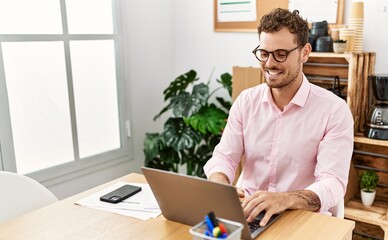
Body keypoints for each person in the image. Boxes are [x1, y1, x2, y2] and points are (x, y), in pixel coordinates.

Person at [204, 8, 354, 227]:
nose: (270, 63)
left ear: (304, 52)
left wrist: (285, 199)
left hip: (300, 220)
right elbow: (224, 157)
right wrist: (219, 182)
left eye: (281, 54)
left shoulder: (334, 110)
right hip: (247, 214)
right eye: (264, 53)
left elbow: (332, 182)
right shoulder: (246, 102)